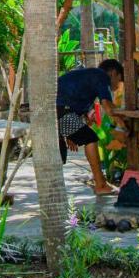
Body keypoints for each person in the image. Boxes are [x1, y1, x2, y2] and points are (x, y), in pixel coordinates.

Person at [56, 59, 124, 195]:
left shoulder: (90, 77)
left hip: (59, 109)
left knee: (85, 136)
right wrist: (124, 126)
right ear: (113, 73)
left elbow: (75, 101)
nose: (117, 86)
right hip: (59, 109)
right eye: (119, 80)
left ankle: (101, 182)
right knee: (90, 138)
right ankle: (100, 184)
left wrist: (70, 133)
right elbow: (108, 106)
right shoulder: (101, 76)